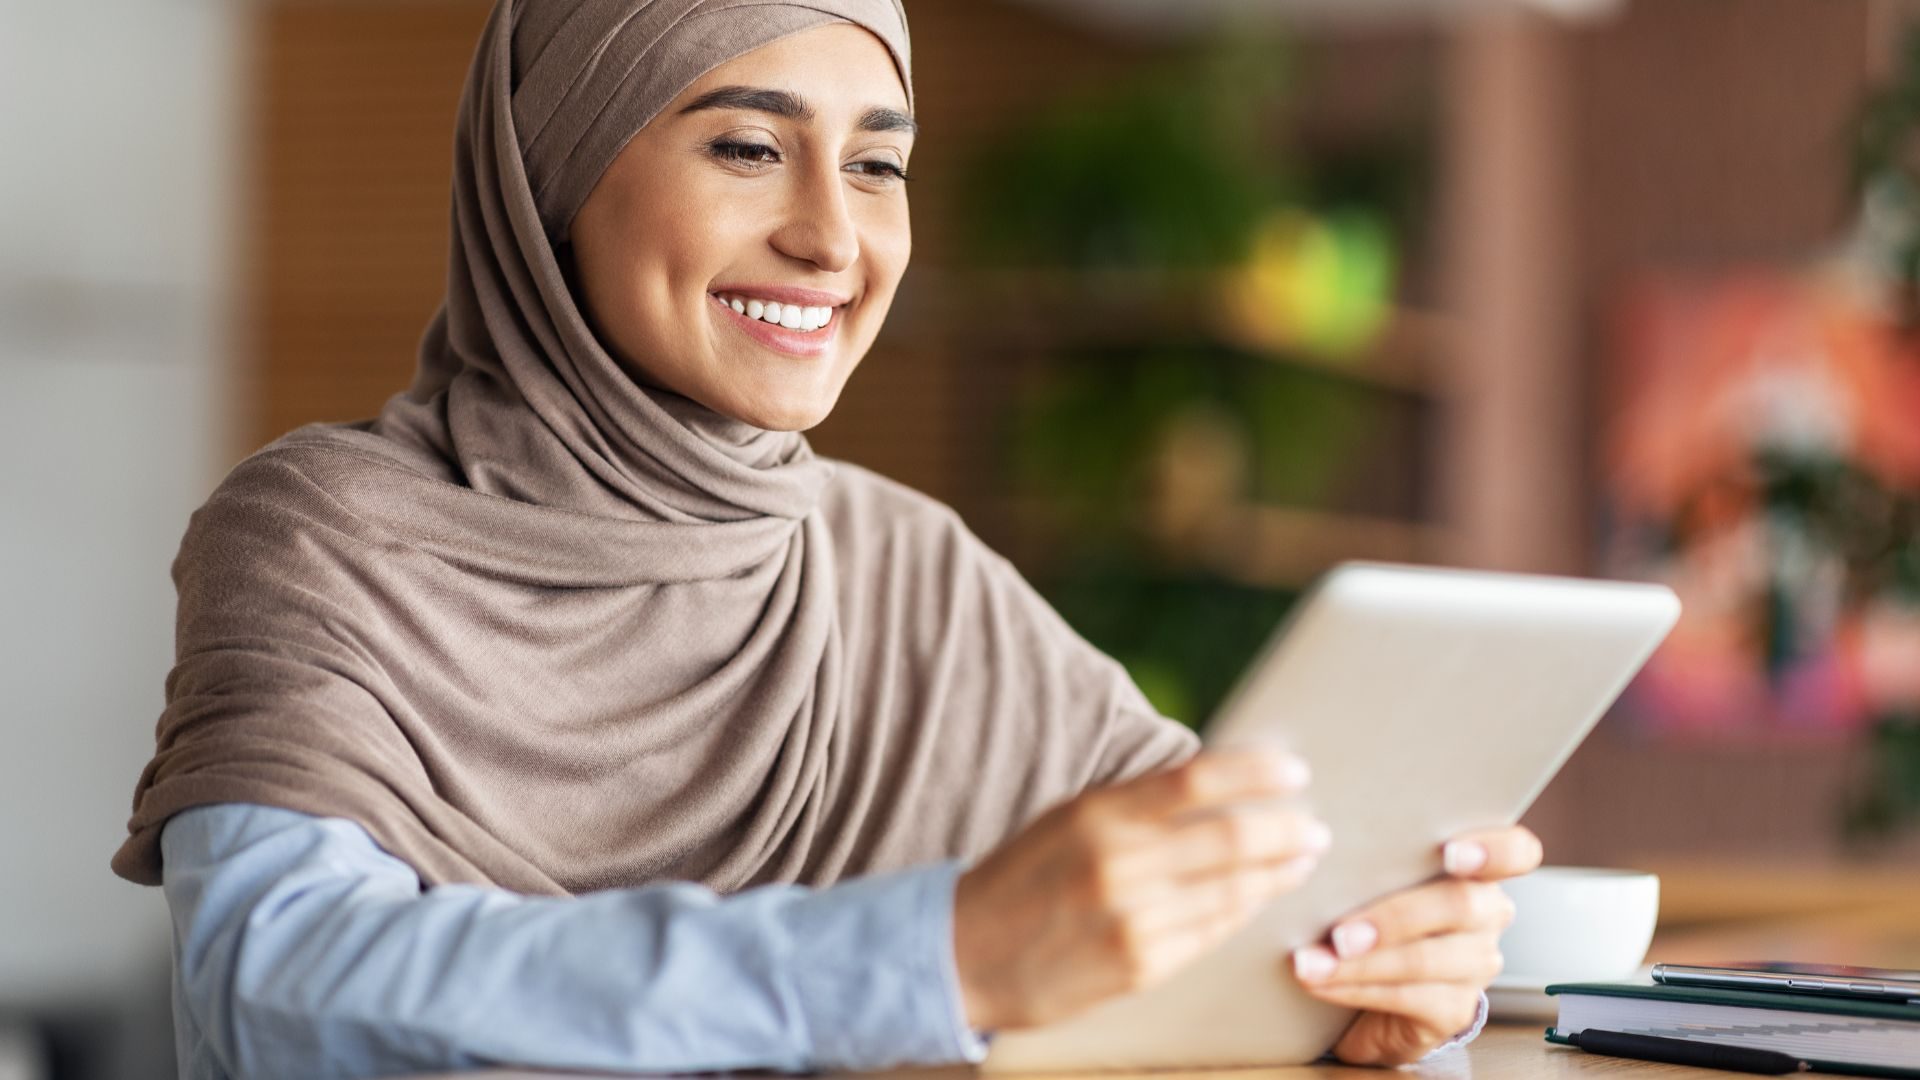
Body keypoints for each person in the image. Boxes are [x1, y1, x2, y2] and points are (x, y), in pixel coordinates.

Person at [112, 2, 1540, 1078]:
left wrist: (1390, 969)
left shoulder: (899, 570)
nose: (833, 239)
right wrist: (934, 955)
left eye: (876, 164)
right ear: (551, 172)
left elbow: (1219, 876)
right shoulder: (323, 530)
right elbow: (278, 986)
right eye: (747, 146)